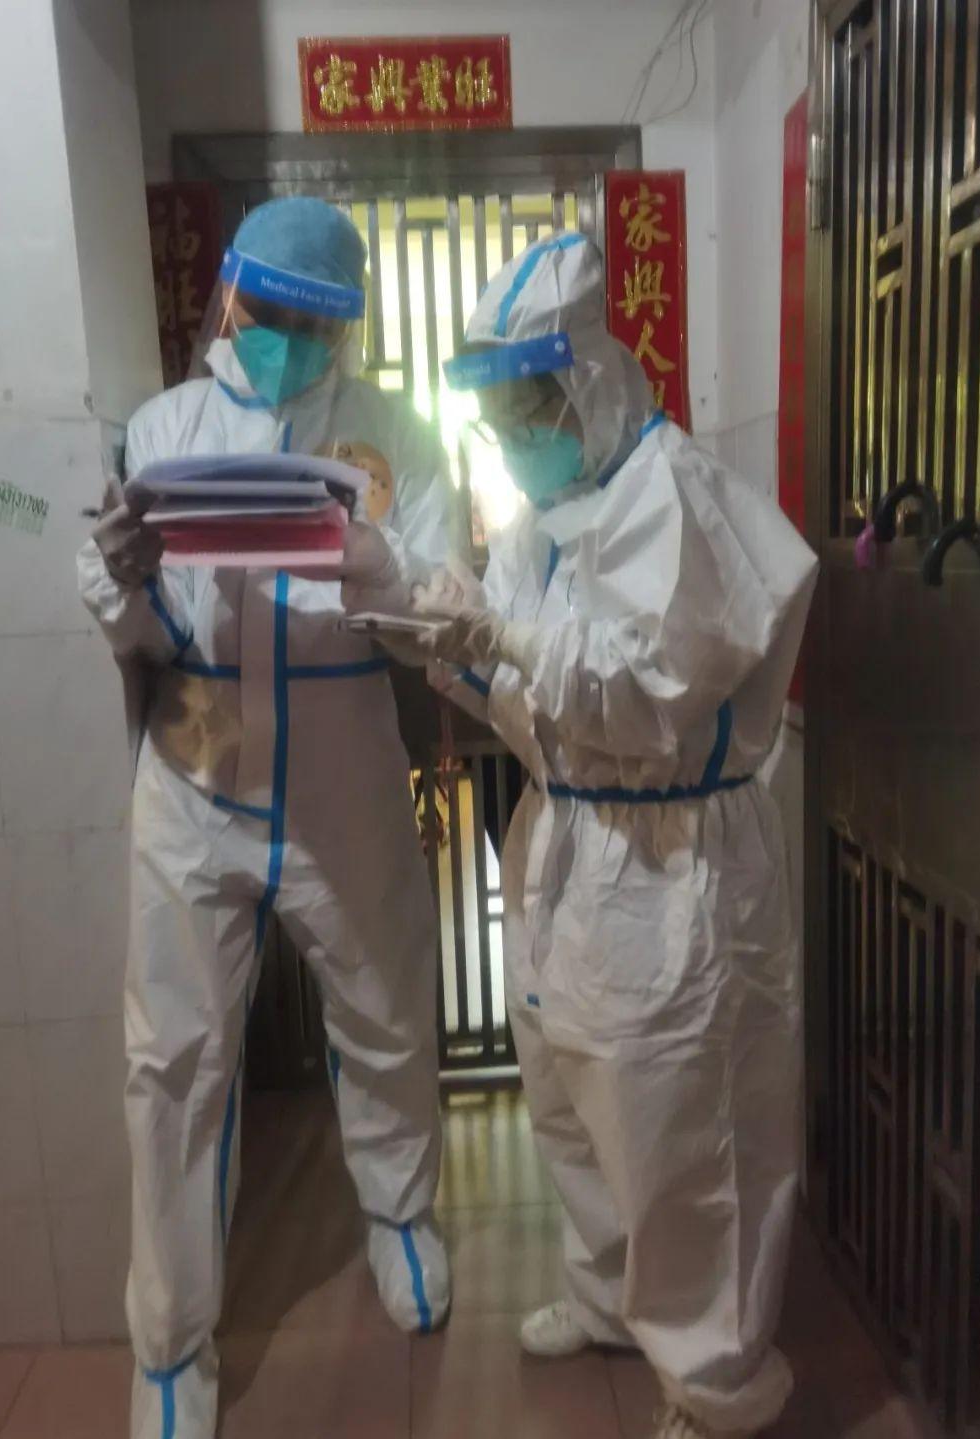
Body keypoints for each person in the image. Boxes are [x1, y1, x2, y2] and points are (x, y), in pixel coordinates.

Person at [405, 233, 818, 1439]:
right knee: (572, 1095)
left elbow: (646, 696)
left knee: (684, 1131)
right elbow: (539, 700)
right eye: (496, 418)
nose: (511, 438)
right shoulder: (549, 512)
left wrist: (506, 641)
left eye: (523, 410)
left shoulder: (674, 495)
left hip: (673, 864)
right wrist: (457, 648)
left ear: (584, 381)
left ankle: (718, 1383)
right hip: (572, 840)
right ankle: (605, 1295)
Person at [78, 197, 457, 1439]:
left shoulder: (395, 435)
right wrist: (121, 579)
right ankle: (170, 1345)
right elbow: (137, 631)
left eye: (315, 321)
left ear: (347, 326)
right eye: (269, 311)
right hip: (195, 772)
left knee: (386, 1001)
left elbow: (440, 618)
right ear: (229, 295)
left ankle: (401, 1212)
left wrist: (379, 563)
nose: (287, 337)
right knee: (173, 1061)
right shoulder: (165, 426)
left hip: (343, 761)